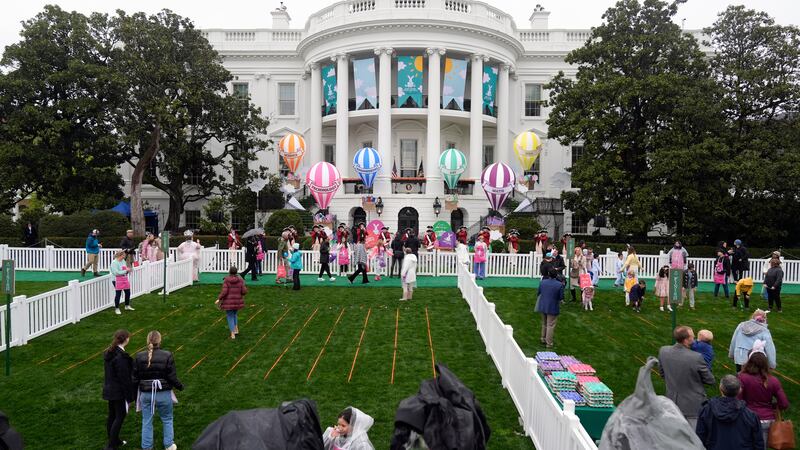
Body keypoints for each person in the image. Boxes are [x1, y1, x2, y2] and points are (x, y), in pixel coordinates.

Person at [132, 331, 183, 450]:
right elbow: (172, 377)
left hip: (145, 394)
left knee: (147, 421)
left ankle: (146, 447)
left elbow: (134, 378)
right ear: (159, 341)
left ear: (148, 340)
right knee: (167, 419)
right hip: (163, 394)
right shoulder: (167, 355)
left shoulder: (139, 356)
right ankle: (169, 444)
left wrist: (134, 396)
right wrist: (180, 386)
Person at [658, 326, 716, 429]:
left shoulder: (663, 351)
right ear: (686, 340)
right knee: (693, 439)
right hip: (692, 406)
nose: (694, 339)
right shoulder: (696, 357)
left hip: (671, 402)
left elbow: (662, 374)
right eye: (692, 337)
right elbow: (710, 380)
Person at [737, 341, 790, 447]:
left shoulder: (742, 377)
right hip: (766, 420)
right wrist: (773, 405)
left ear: (749, 361)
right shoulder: (773, 380)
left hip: (747, 418)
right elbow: (784, 404)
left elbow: (738, 401)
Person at [696, 375, 764, 450]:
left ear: (720, 388)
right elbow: (758, 443)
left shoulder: (706, 411)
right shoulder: (750, 415)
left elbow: (700, 437)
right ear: (739, 390)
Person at [103, 329, 134, 450]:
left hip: (109, 388)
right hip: (118, 391)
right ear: (126, 339)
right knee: (119, 416)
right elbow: (124, 379)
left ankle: (114, 440)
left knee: (112, 415)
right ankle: (111, 445)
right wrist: (130, 396)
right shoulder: (120, 357)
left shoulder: (111, 352)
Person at [536, 268, 564, 348]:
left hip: (543, 305)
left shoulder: (542, 282)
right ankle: (549, 343)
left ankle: (543, 338)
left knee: (544, 323)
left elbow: (538, 293)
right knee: (550, 325)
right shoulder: (559, 285)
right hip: (552, 306)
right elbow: (561, 297)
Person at [216, 266, 247, 339]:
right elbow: (244, 291)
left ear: (229, 272)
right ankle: (236, 329)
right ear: (236, 272)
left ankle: (232, 333)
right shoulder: (240, 280)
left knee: (230, 316)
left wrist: (219, 298)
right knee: (235, 314)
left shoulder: (226, 280)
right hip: (238, 301)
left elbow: (224, 292)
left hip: (228, 301)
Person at [110, 251, 133, 315]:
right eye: (123, 255)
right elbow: (116, 273)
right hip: (116, 280)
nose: (124, 256)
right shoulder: (114, 262)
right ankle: (117, 308)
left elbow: (124, 268)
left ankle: (127, 305)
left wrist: (128, 269)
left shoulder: (123, 261)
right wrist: (126, 271)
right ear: (120, 255)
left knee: (128, 292)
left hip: (124, 279)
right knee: (118, 294)